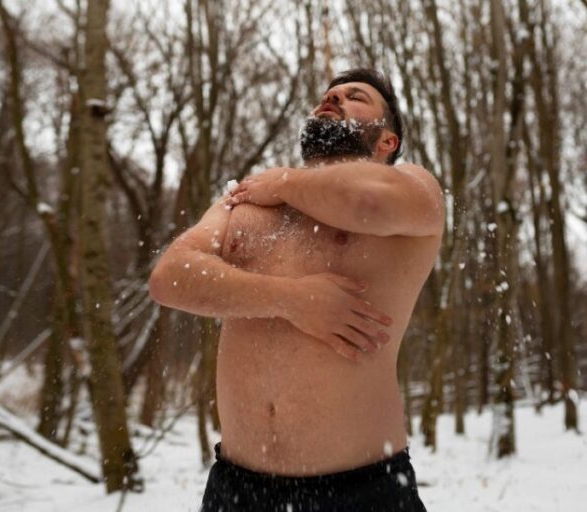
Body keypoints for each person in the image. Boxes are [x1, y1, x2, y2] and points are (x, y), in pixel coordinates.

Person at [149, 68, 444, 511]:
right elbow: (170, 277)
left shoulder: (415, 188)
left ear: (388, 142)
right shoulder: (250, 200)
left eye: (354, 96)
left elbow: (364, 202)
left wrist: (284, 182)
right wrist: (289, 300)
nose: (333, 98)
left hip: (361, 494)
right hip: (236, 490)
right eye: (328, 94)